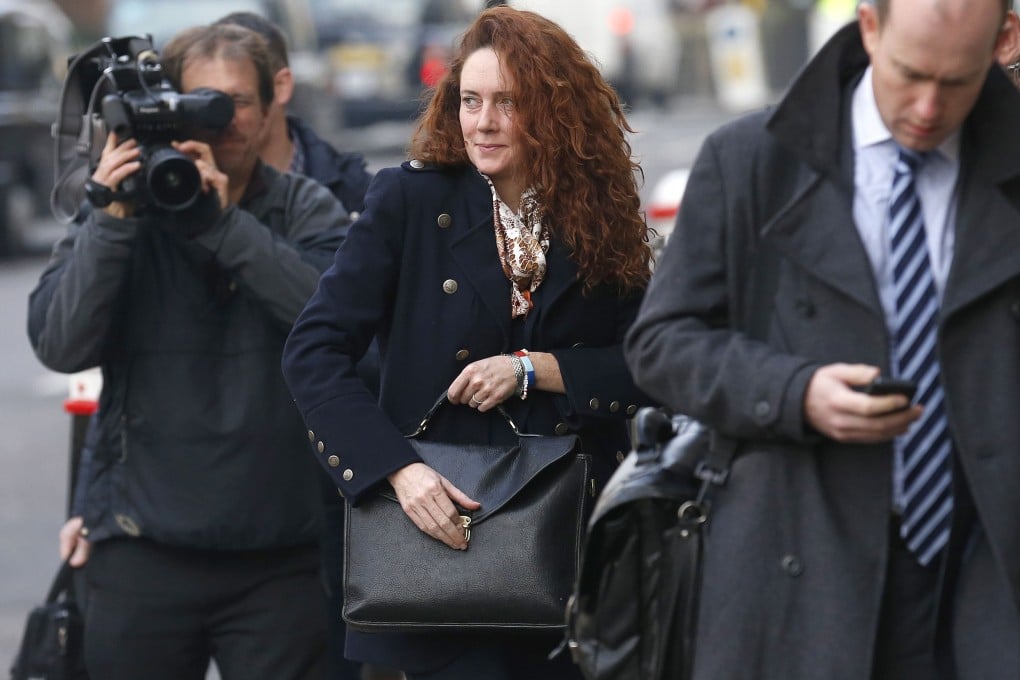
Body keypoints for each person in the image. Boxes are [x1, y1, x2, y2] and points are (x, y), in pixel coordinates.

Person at [625, 0, 1020, 678]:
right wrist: (794, 391)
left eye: (956, 82)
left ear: (1005, 40)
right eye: (909, 73)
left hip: (983, 582)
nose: (928, 107)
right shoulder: (750, 160)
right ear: (869, 26)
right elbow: (661, 343)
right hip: (797, 578)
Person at [281, 6, 652, 679]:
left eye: (507, 103)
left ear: (555, 109)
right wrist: (396, 471)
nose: (481, 122)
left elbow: (652, 365)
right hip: (437, 548)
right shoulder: (410, 201)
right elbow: (313, 350)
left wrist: (539, 369)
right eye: (469, 100)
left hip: (568, 554)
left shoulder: (602, 214)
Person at [30, 23, 349, 680]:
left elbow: (333, 321)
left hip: (278, 556)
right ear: (162, 108)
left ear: (269, 109)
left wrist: (220, 226)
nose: (221, 120)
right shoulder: (122, 212)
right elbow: (62, 345)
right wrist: (112, 222)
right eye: (200, 102)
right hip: (141, 549)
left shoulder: (306, 208)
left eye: (235, 102)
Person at [211, 13, 386, 680]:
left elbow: (373, 352)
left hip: (328, 492)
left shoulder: (353, 195)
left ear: (276, 87)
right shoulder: (167, 194)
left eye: (230, 97)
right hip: (216, 497)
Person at [213, 11, 373, 217]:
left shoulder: (357, 195)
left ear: (280, 86)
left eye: (238, 99)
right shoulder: (183, 190)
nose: (223, 115)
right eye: (209, 100)